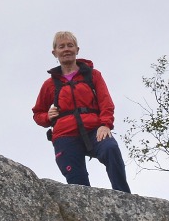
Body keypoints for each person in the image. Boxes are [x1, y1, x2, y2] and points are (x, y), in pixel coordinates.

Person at [30, 31, 129, 192]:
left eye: (70, 45)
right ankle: (86, 215)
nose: (66, 49)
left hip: (94, 129)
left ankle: (125, 196)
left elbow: (106, 103)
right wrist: (47, 117)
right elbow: (37, 113)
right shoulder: (50, 84)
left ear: (77, 49)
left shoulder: (93, 75)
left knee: (110, 149)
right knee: (78, 185)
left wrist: (105, 125)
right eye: (61, 46)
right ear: (54, 53)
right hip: (65, 136)